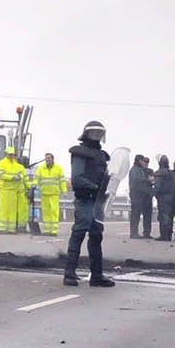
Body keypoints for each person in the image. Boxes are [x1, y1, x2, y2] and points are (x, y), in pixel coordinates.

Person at [63, 120, 114, 287]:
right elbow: (77, 179)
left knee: (96, 236)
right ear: (86, 134)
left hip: (97, 202)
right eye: (94, 133)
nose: (96, 136)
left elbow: (104, 177)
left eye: (99, 133)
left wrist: (108, 186)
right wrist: (94, 187)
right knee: (79, 233)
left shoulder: (102, 156)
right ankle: (69, 273)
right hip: (85, 200)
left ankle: (96, 275)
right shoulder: (80, 153)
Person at [0, 143, 31, 237]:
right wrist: (12, 177)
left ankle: (10, 228)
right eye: (10, 154)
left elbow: (24, 178)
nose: (11, 156)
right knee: (3, 209)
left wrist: (29, 187)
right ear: (6, 154)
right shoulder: (2, 163)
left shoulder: (18, 166)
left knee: (12, 210)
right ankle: (2, 228)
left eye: (13, 154)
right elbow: (1, 175)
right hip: (4, 190)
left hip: (14, 191)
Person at [35, 150, 66, 241]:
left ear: (53, 159)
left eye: (49, 158)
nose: (47, 160)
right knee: (46, 212)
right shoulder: (41, 168)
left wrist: (64, 191)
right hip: (44, 193)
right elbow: (37, 179)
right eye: (46, 158)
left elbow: (62, 181)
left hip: (54, 194)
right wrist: (33, 185)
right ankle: (47, 230)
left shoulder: (58, 168)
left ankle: (54, 230)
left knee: (54, 211)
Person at [128, 154, 155, 239]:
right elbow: (136, 180)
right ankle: (134, 233)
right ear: (139, 161)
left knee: (144, 214)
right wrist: (148, 180)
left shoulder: (141, 170)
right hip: (136, 195)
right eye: (143, 160)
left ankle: (145, 233)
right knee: (135, 214)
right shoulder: (134, 170)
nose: (144, 162)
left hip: (142, 195)